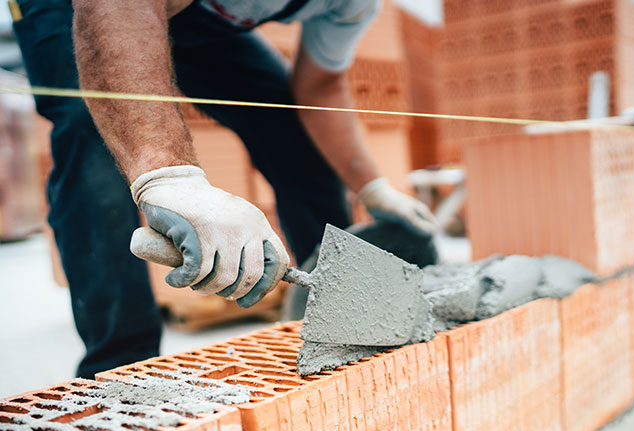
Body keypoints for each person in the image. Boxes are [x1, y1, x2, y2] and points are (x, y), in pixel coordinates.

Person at [12, 0, 436, 379]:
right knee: (92, 135)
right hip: (84, 6)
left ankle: (342, 317)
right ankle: (121, 368)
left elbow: (319, 87)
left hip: (193, 15)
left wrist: (372, 187)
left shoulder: (351, 5)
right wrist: (169, 177)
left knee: (290, 127)